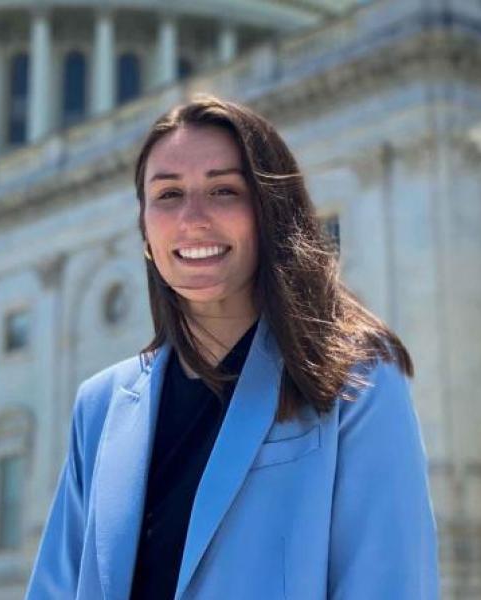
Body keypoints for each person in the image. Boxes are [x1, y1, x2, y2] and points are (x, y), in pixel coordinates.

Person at [25, 95, 439, 599]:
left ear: (271, 213)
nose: (193, 218)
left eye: (223, 191)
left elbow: (386, 585)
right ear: (145, 233)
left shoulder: (358, 379)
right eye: (168, 194)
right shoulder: (101, 405)